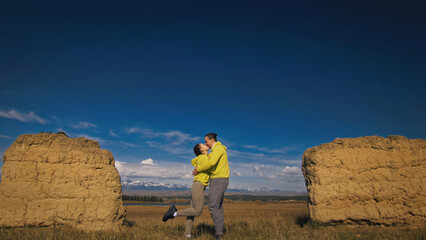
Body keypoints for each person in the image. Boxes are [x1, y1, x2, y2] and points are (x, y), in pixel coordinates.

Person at [162, 143, 210, 238]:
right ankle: (173, 213)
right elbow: (211, 166)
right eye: (203, 145)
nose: (205, 144)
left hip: (196, 186)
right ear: (201, 150)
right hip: (198, 186)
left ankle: (187, 235)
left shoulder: (203, 157)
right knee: (197, 211)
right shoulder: (204, 158)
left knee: (191, 211)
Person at [193, 133, 229, 240]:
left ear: (212, 140)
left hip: (219, 179)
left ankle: (218, 234)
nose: (205, 143)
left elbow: (212, 163)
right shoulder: (215, 150)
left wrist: (198, 169)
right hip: (219, 179)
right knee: (218, 206)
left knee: (213, 206)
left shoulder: (218, 149)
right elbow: (209, 161)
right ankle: (220, 232)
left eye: (206, 141)